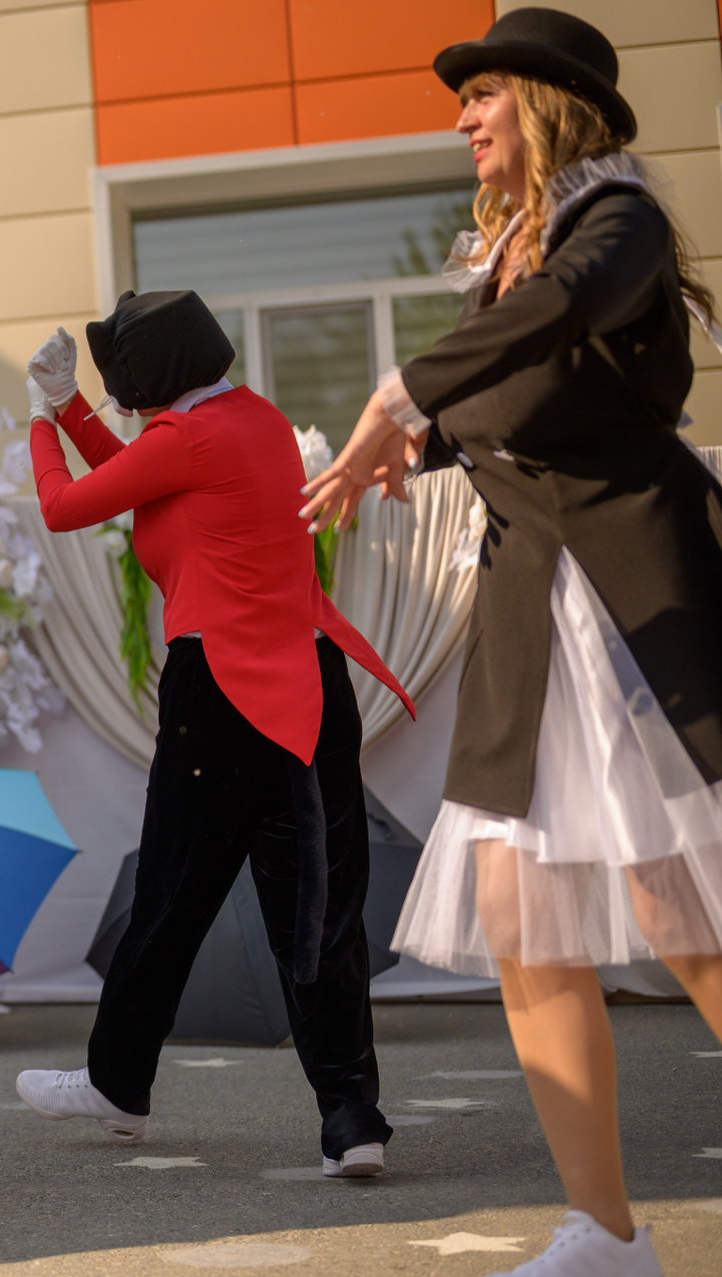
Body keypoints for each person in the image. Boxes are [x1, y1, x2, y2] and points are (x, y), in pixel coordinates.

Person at [303, 10, 722, 1274]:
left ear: (548, 103)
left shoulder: (617, 221)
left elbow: (560, 323)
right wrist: (421, 442)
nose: (462, 118)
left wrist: (400, 398)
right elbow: (520, 390)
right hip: (530, 611)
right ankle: (606, 1229)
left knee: (682, 899)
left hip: (640, 600)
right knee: (517, 909)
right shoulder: (507, 260)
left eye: (482, 93)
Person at [11, 290, 414, 1177]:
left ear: (155, 376)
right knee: (317, 909)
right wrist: (72, 407)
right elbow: (140, 469)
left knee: (169, 899)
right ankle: (351, 1117)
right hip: (310, 684)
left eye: (122, 382)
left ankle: (118, 1083)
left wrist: (43, 418)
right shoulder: (256, 419)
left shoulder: (185, 439)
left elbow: (66, 505)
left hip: (220, 692)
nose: (120, 398)